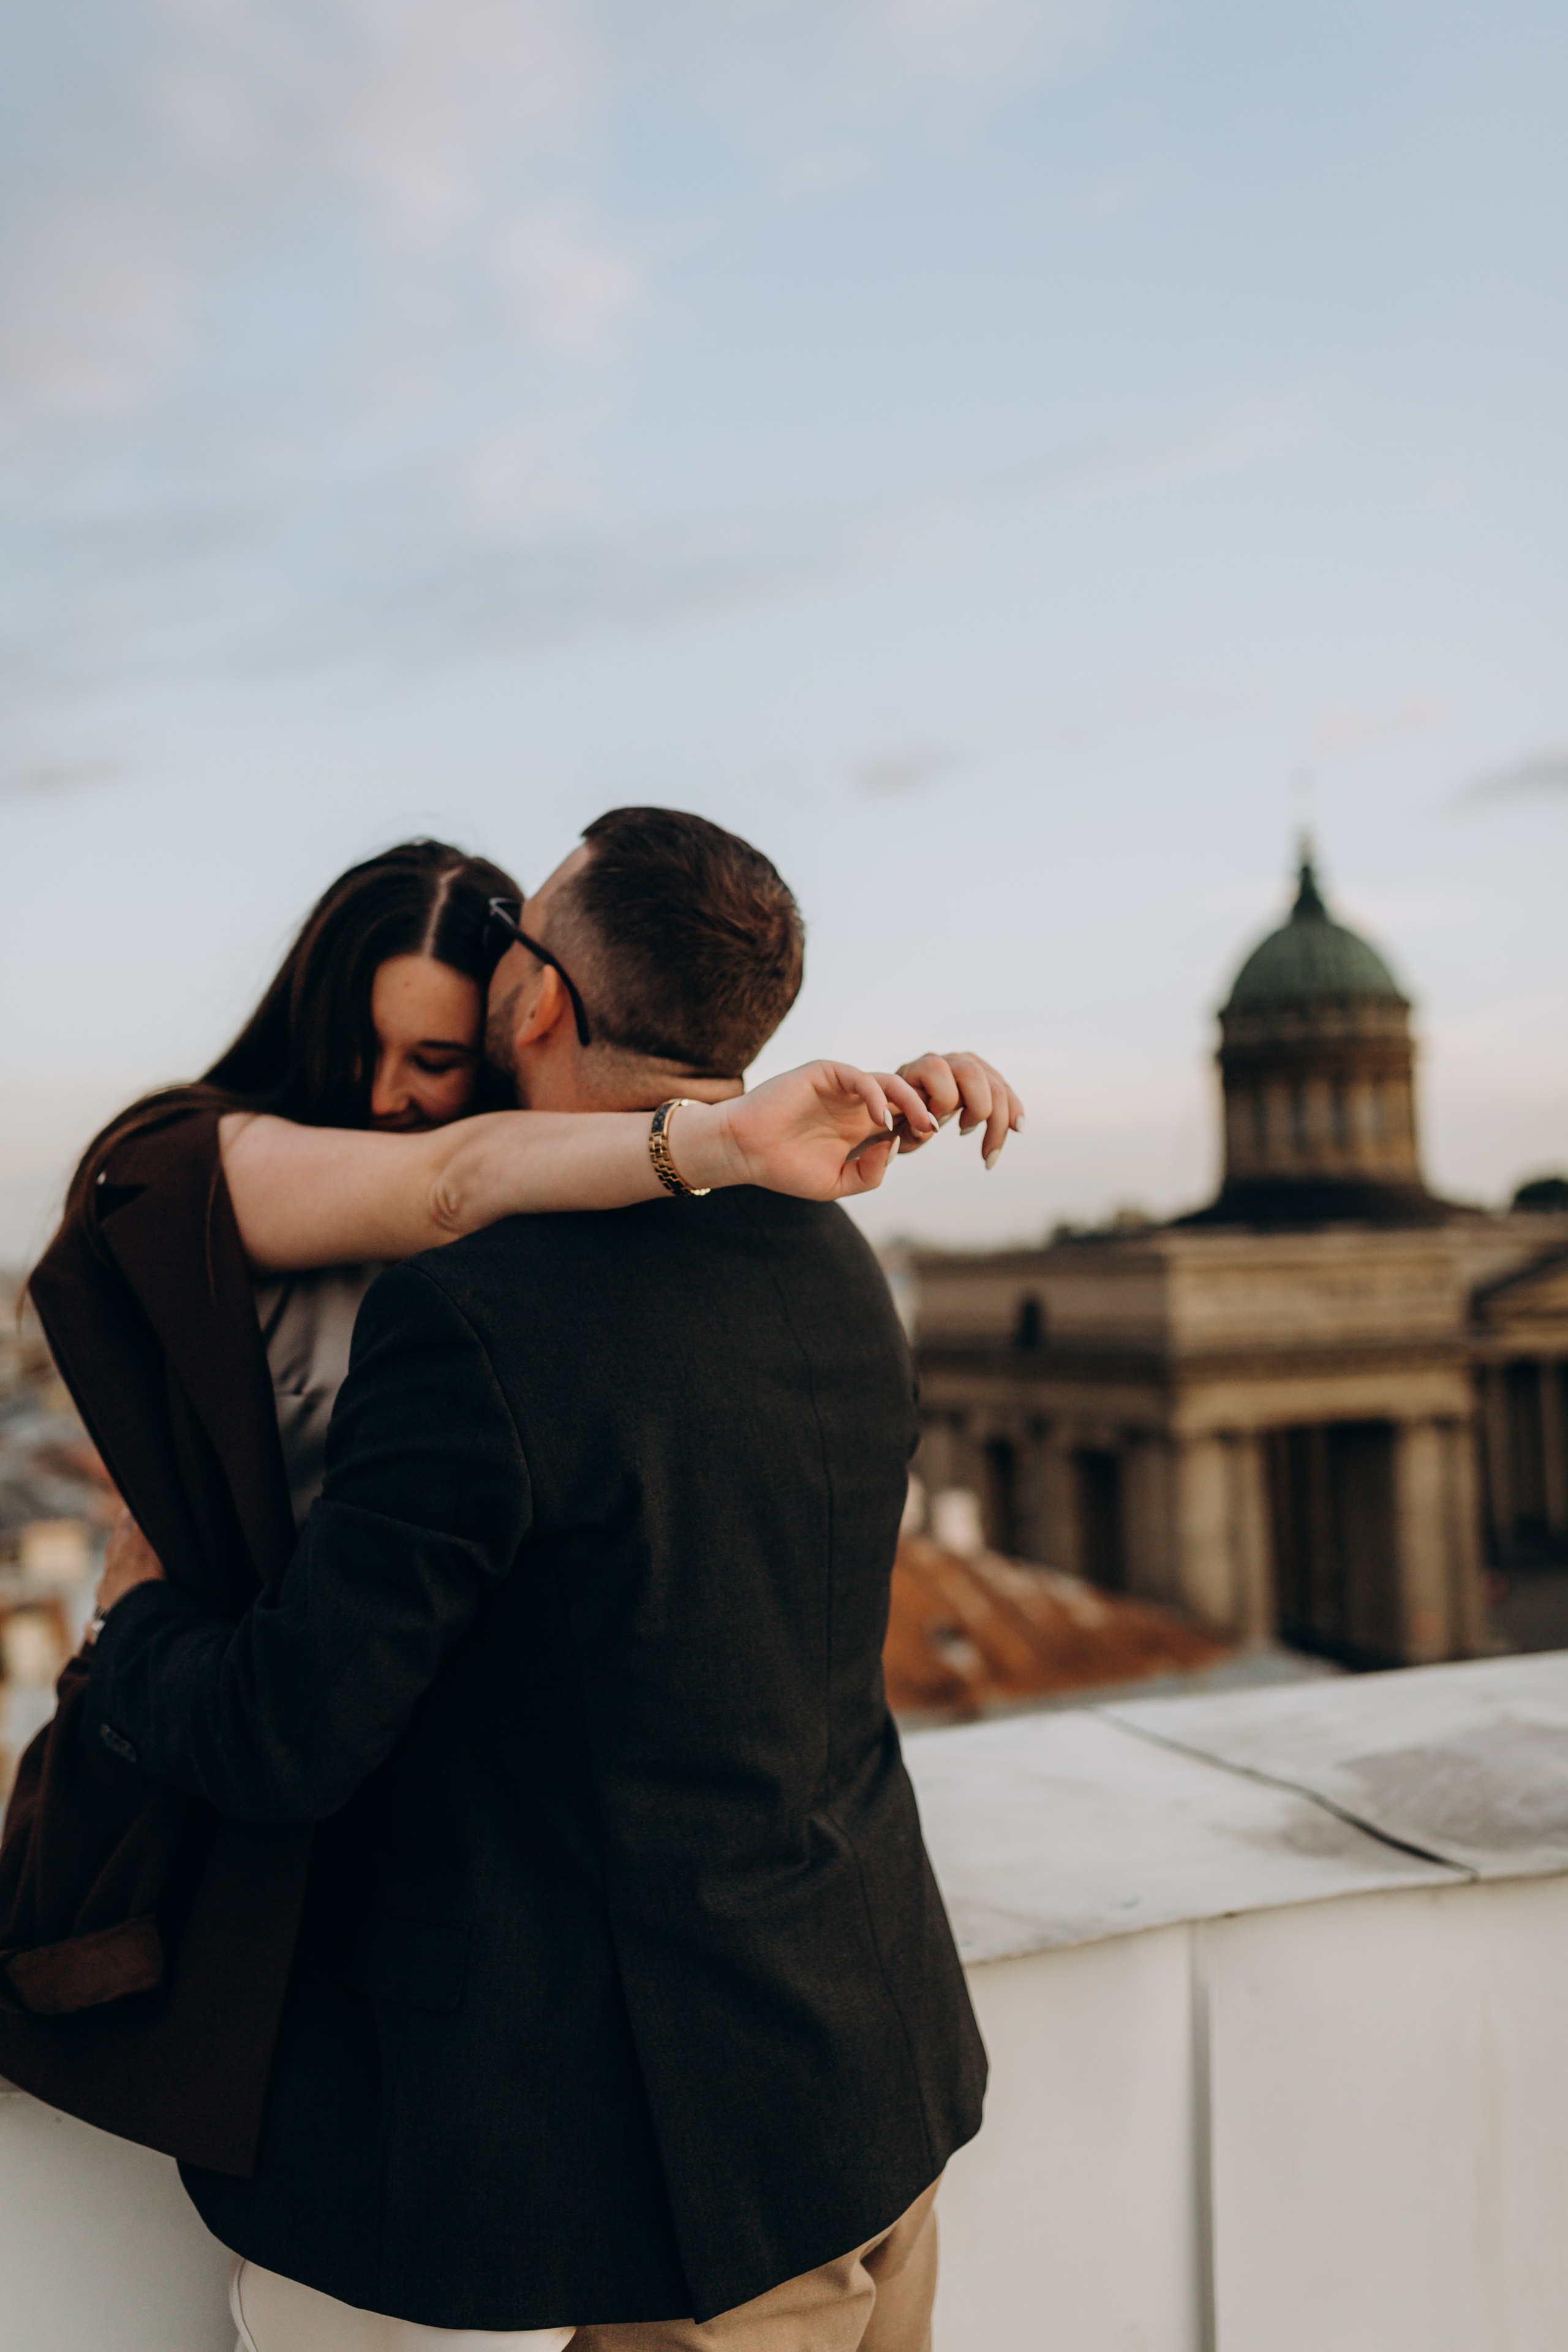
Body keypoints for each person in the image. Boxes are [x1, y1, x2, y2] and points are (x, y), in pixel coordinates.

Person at [81, 810, 1017, 2350]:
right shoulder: (828, 1252)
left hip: (684, 2205)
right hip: (873, 2087)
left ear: (534, 1004)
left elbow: (290, 1734)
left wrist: (136, 1625)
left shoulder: (475, 1316)